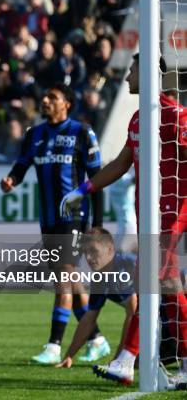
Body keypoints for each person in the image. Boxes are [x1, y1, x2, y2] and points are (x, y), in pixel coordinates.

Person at [60, 53, 187, 385]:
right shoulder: (138, 118)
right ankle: (186, 363)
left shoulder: (175, 116)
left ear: (146, 73)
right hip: (150, 216)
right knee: (170, 290)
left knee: (150, 281)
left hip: (172, 212)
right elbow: (119, 165)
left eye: (132, 70)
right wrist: (82, 189)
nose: (128, 75)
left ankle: (127, 359)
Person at [0, 82, 108, 365]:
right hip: (47, 219)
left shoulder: (82, 132)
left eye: (53, 97)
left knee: (64, 279)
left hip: (73, 217)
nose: (46, 100)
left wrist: (96, 224)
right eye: (45, 96)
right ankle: (96, 339)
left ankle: (54, 346)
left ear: (66, 104)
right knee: (71, 281)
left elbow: (96, 180)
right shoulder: (34, 135)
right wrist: (12, 179)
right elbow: (22, 165)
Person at [56, 228, 137, 373]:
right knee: (139, 362)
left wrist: (120, 358)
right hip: (156, 325)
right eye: (85, 252)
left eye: (93, 250)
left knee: (138, 361)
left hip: (171, 320)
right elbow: (89, 319)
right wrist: (69, 356)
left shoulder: (125, 266)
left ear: (110, 250)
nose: (88, 257)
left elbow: (134, 309)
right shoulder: (99, 278)